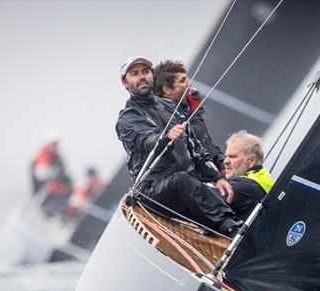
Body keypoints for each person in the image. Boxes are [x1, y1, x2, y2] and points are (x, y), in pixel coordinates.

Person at [115, 56, 242, 237]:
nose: (141, 76)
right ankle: (232, 228)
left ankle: (235, 227)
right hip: (152, 192)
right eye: (135, 74)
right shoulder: (127, 119)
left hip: (188, 184)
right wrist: (166, 137)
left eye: (145, 72)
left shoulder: (170, 106)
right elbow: (148, 142)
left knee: (235, 191)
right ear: (125, 83)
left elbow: (196, 148)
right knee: (181, 180)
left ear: (151, 75)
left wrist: (217, 178)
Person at [153, 59, 224, 172]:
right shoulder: (164, 115)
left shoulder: (183, 108)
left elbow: (207, 143)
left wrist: (221, 164)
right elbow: (196, 139)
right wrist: (195, 112)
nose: (188, 83)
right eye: (182, 81)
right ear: (167, 90)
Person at [223, 130, 275, 220]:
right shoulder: (262, 178)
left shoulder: (243, 186)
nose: (225, 161)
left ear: (251, 161)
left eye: (232, 156)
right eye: (226, 156)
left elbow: (203, 200)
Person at [30, 132, 73, 217]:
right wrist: (55, 172)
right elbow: (41, 174)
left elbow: (64, 170)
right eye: (53, 144)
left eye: (56, 144)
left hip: (59, 191)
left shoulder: (56, 156)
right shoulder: (43, 156)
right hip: (46, 195)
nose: (55, 146)